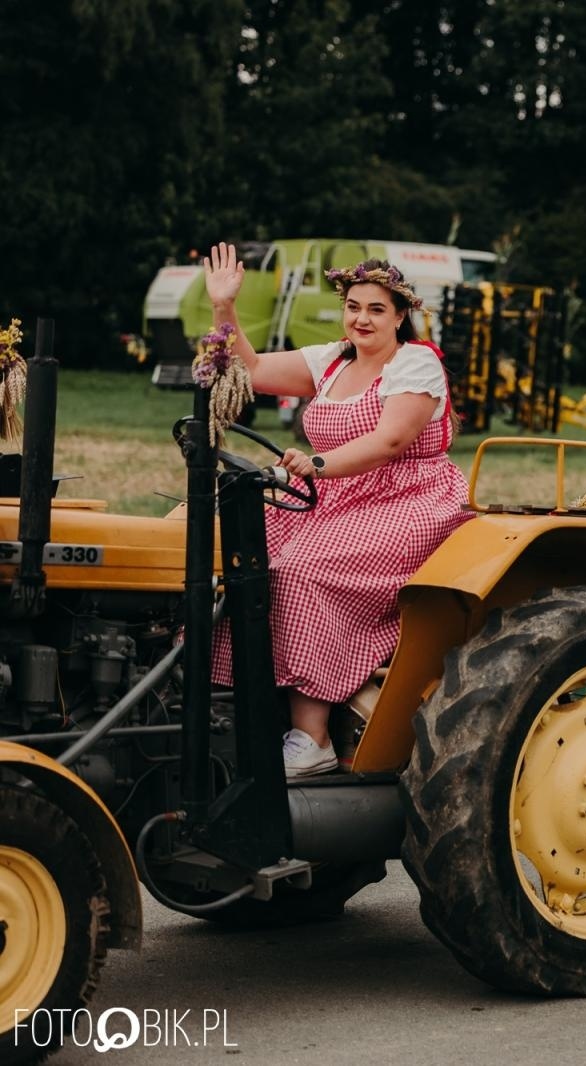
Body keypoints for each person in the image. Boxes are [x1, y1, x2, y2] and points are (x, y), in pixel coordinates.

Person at [203, 242, 473, 776]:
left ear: (400, 315)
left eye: (376, 309)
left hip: (408, 498)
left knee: (301, 572)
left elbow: (390, 442)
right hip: (331, 495)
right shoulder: (332, 360)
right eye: (353, 307)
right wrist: (223, 306)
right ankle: (237, 704)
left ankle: (313, 738)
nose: (362, 319)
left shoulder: (415, 363)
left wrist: (316, 465)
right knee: (231, 551)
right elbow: (250, 368)